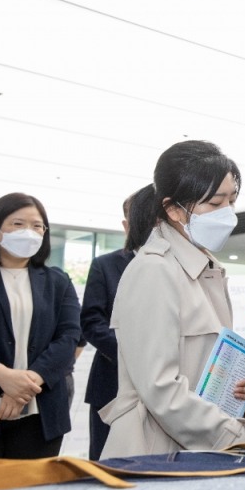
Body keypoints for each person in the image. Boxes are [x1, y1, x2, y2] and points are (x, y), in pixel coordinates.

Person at [99, 140, 245, 459]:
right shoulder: (154, 269)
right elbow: (161, 390)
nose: (227, 213)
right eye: (215, 203)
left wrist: (240, 396)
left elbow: (201, 371)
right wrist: (240, 437)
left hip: (203, 447)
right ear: (173, 208)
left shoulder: (207, 270)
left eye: (232, 200)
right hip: (157, 451)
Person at [0, 193, 81, 458]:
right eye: (18, 224)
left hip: (41, 414)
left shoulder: (57, 281)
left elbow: (69, 336)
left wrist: (23, 387)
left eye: (37, 226)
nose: (29, 232)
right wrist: (2, 376)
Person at [81, 186, 151, 460]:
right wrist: (132, 351)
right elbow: (91, 321)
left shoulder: (178, 267)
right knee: (106, 463)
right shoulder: (105, 265)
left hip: (166, 387)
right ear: (126, 225)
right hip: (111, 382)